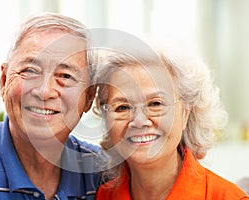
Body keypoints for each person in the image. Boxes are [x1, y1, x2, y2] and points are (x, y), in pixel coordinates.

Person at [0, 12, 103, 200]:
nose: (45, 92)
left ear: (89, 98)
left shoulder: (102, 177)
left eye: (65, 76)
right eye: (30, 71)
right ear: (4, 81)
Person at [93, 42, 249, 199]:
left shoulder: (228, 197)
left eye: (155, 104)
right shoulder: (103, 195)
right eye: (123, 107)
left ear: (185, 114)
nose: (139, 121)